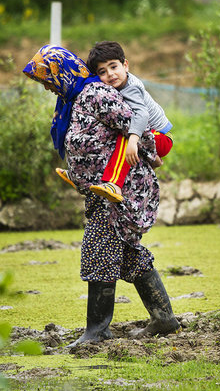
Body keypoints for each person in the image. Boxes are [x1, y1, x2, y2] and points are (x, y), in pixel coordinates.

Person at [23, 45, 180, 346]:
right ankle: (164, 319)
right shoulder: (75, 100)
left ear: (62, 73)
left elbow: (139, 129)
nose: (46, 86)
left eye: (47, 79)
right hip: (100, 193)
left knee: (98, 250)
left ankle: (97, 330)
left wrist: (153, 153)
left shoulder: (97, 95)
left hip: (120, 190)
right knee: (125, 256)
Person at [57, 41, 173, 204]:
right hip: (149, 134)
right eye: (102, 72)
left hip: (161, 137)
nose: (110, 74)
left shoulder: (131, 88)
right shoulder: (108, 90)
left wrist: (134, 140)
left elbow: (142, 114)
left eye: (113, 67)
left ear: (125, 65)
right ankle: (80, 175)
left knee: (125, 135)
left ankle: (114, 184)